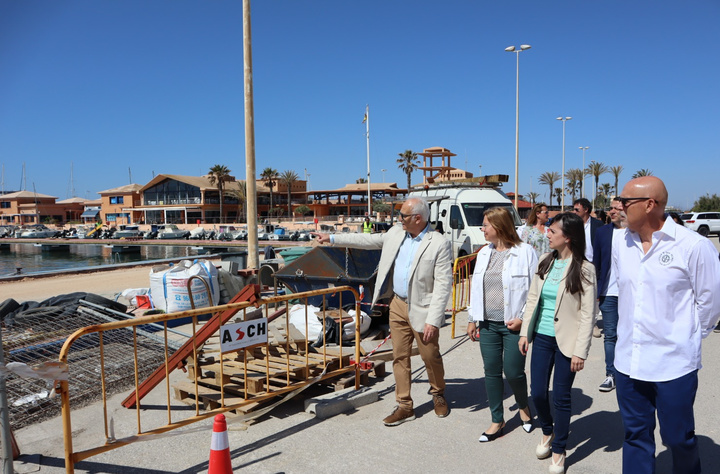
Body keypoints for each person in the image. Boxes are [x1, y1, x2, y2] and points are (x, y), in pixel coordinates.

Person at [312, 197, 453, 426]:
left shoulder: (438, 243)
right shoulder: (396, 234)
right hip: (397, 305)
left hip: (424, 309)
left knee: (430, 356)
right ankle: (405, 405)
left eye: (404, 216)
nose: (400, 220)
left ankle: (438, 393)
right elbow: (367, 239)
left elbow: (444, 285)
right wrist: (333, 237)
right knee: (400, 356)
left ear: (418, 218)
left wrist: (434, 320)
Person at [612, 177, 720, 473]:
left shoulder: (694, 246)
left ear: (650, 205)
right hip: (628, 363)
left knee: (678, 438)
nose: (618, 207)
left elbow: (709, 304)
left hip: (673, 365)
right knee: (635, 436)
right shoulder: (620, 241)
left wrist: (683, 338)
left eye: (625, 201)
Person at [519, 212, 597, 474]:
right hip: (541, 337)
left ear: (569, 237)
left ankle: (559, 449)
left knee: (562, 397)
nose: (547, 235)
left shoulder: (585, 269)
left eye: (553, 231)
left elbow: (588, 314)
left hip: (567, 342)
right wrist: (524, 333)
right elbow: (533, 300)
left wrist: (581, 351)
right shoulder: (545, 261)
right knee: (539, 392)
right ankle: (548, 430)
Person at [468, 207, 538, 442]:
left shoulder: (525, 252)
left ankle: (523, 407)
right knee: (491, 373)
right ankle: (497, 419)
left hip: (514, 326)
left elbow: (534, 292)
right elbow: (476, 288)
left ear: (499, 226)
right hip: (487, 324)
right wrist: (472, 318)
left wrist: (524, 320)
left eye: (486, 224)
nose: (482, 229)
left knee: (514, 371)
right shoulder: (483, 254)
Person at [592, 198, 626, 393]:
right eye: (610, 208)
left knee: (630, 334)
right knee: (610, 335)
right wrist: (595, 290)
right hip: (609, 292)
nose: (612, 211)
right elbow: (596, 263)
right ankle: (611, 374)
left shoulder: (635, 232)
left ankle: (629, 373)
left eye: (616, 208)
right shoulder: (603, 232)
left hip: (631, 294)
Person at [572, 198, 603, 263]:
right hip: (578, 263)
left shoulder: (598, 225)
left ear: (586, 209)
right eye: (574, 209)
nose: (574, 212)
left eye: (577, 210)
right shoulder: (572, 225)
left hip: (594, 263)